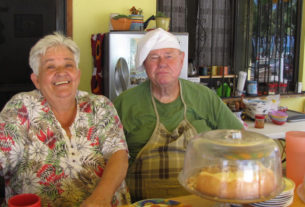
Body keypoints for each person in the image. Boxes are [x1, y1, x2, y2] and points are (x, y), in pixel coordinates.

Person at [0, 32, 130, 207]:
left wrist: (101, 197)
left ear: (77, 74)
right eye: (50, 67)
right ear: (36, 80)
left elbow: (119, 154)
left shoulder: (100, 106)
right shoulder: (20, 109)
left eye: (68, 65)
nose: (61, 73)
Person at [114, 28, 243, 201]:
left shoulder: (204, 97)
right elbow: (107, 160)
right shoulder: (125, 103)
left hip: (200, 201)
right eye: (154, 57)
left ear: (181, 60)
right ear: (145, 64)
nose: (162, 63)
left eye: (169, 55)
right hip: (142, 203)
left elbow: (239, 140)